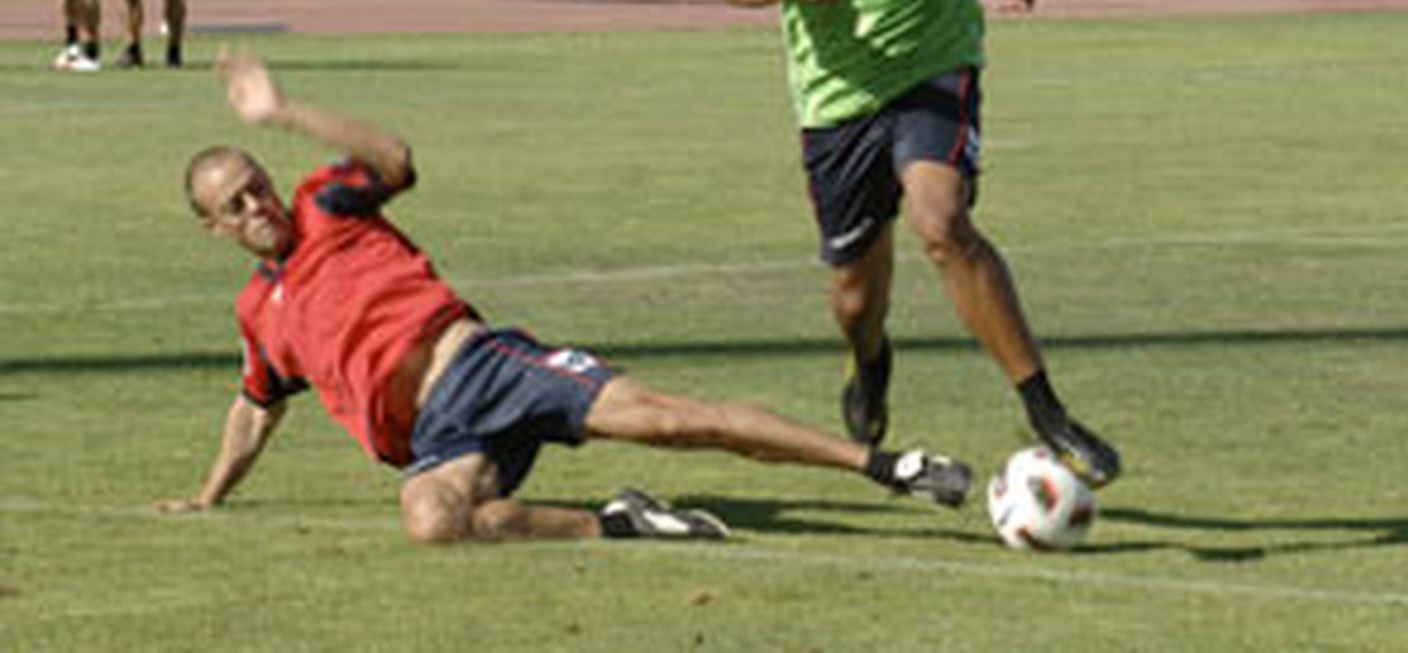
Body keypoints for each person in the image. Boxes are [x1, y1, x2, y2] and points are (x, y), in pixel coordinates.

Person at [157, 51, 972, 543]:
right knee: (431, 520)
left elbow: (397, 158)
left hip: (485, 366)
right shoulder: (258, 314)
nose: (257, 204)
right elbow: (255, 406)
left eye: (254, 185)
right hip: (442, 436)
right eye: (234, 204)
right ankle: (619, 522)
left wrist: (281, 111)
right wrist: (206, 495)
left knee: (675, 419)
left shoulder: (323, 203)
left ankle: (886, 465)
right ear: (212, 228)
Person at [723, 0, 1122, 488]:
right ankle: (871, 362)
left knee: (943, 221)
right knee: (854, 295)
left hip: (940, 63)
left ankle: (1045, 409)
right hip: (838, 92)